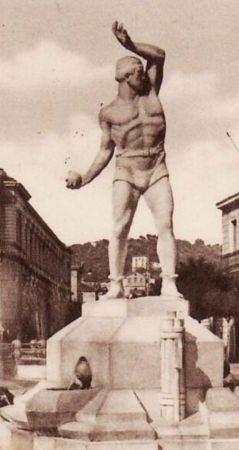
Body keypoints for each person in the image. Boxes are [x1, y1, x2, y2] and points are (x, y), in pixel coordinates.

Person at [66, 21, 182, 300]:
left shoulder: (151, 93)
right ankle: (115, 284)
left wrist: (129, 45)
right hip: (127, 170)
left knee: (165, 225)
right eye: (138, 72)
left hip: (156, 167)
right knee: (119, 227)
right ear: (126, 77)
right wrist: (84, 178)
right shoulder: (109, 113)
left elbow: (160, 55)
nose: (144, 74)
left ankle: (169, 283)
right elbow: (105, 151)